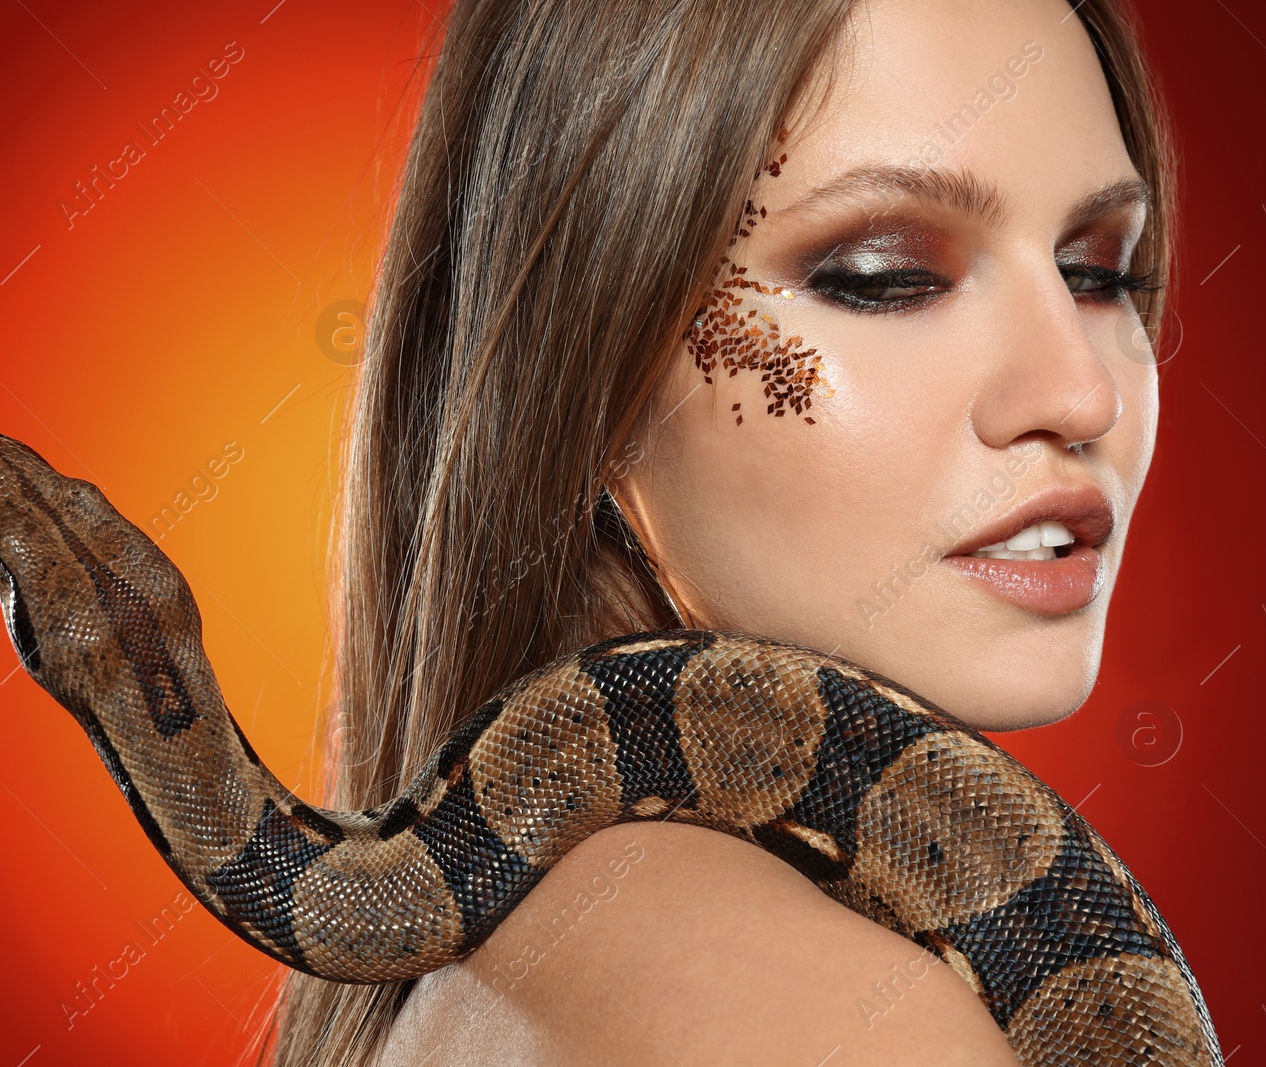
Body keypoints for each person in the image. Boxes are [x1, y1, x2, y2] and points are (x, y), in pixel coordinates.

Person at [269, 0, 1177, 1062]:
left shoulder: (529, 955)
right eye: (884, 278)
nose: (1080, 392)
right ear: (590, 367)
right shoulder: (800, 1014)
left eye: (1097, 273)